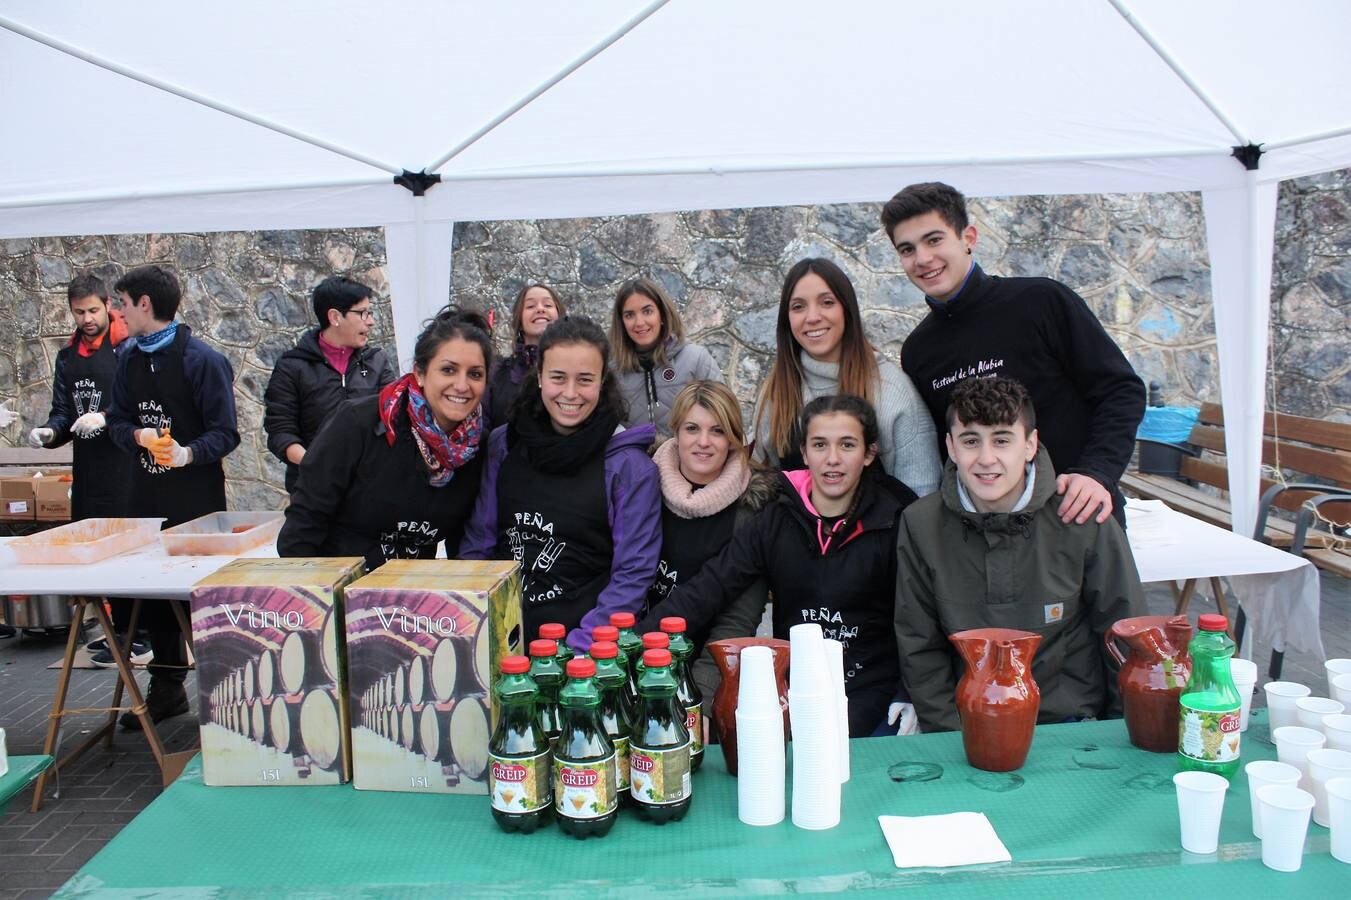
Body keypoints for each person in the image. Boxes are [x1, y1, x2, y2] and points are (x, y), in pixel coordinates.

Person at [641, 394, 918, 737]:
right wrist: (631, 643)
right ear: (804, 453)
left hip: (875, 699)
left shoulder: (895, 522)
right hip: (794, 696)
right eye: (820, 445)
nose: (832, 459)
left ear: (869, 453)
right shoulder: (775, 521)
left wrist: (910, 692)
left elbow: (917, 618)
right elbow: (707, 590)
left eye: (847, 445)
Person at [882, 181, 1146, 527]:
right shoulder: (920, 351)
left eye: (934, 240)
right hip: (988, 538)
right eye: (907, 249)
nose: (923, 259)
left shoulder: (1042, 302)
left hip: (1077, 519)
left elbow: (1121, 391)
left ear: (968, 238)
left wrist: (1096, 473)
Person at [893, 376, 1147, 734]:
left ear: (1030, 445)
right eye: (970, 441)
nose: (986, 459)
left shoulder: (1081, 517)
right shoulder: (921, 525)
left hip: (1067, 725)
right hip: (965, 726)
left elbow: (1123, 634)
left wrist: (1121, 732)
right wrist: (949, 736)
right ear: (950, 447)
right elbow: (920, 646)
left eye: (1002, 440)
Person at [459, 315, 661, 653]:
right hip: (501, 639)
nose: (570, 393)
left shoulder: (629, 468)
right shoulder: (504, 445)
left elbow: (633, 573)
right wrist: (476, 624)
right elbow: (478, 544)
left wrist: (579, 649)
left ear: (601, 382)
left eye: (584, 379)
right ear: (539, 377)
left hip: (582, 649)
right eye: (558, 377)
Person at [106, 264, 240, 728]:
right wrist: (139, 437)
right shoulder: (126, 358)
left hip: (196, 501)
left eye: (121, 303)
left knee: (199, 596)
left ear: (145, 303)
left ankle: (224, 695)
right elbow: (116, 421)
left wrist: (187, 453)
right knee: (153, 599)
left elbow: (227, 434)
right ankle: (166, 687)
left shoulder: (202, 361)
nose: (115, 312)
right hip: (143, 495)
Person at [278, 307, 490, 569]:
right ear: (420, 373)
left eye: (475, 374)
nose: (462, 385)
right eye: (448, 370)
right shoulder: (359, 423)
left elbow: (465, 543)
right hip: (338, 590)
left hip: (412, 597)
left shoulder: (477, 448)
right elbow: (303, 525)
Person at [29, 275, 144, 666]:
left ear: (107, 304)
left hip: (128, 465)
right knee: (98, 551)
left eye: (93, 310)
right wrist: (50, 432)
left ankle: (140, 630)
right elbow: (64, 412)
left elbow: (140, 404)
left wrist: (107, 417)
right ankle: (115, 630)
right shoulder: (68, 356)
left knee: (132, 547)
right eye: (79, 312)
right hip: (91, 469)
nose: (87, 318)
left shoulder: (129, 348)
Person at [751, 258, 940, 496]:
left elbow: (921, 494)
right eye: (798, 306)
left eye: (827, 302)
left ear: (847, 309)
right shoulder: (777, 391)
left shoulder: (890, 389)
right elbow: (759, 473)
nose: (812, 317)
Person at [645, 380, 778, 701]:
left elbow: (736, 621)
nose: (703, 442)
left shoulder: (753, 510)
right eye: (692, 428)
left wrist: (699, 699)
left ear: (733, 439)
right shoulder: (642, 484)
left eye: (717, 431)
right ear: (676, 431)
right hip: (634, 654)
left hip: (701, 673)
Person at [263, 275, 396, 494]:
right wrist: (316, 464)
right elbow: (280, 431)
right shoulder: (292, 366)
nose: (370, 321)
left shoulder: (377, 361)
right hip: (312, 488)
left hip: (369, 487)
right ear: (335, 317)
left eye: (370, 313)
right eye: (362, 313)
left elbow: (392, 417)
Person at [610, 277, 721, 438]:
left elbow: (724, 417)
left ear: (662, 314)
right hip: (634, 461)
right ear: (621, 322)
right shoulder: (613, 371)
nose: (639, 322)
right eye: (629, 315)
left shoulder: (696, 360)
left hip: (689, 460)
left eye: (647, 311)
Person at [485, 283, 565, 428]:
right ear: (520, 321)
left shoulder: (576, 370)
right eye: (530, 306)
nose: (540, 309)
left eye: (547, 305)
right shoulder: (497, 374)